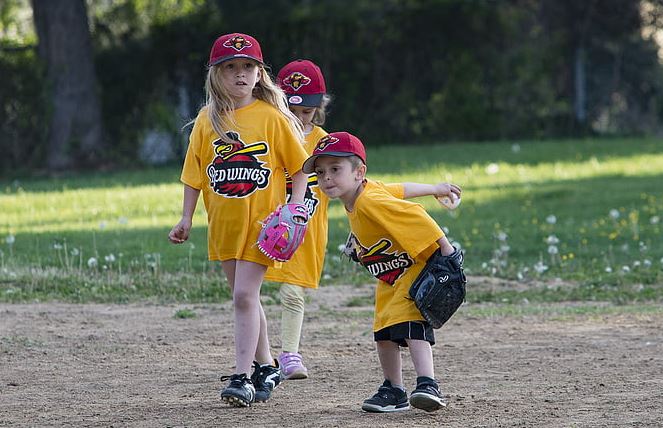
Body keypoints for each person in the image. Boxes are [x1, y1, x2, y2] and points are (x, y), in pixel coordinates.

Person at [168, 33, 309, 408]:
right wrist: (186, 218)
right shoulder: (207, 119)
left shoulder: (272, 118)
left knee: (244, 296)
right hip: (224, 226)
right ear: (216, 75)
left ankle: (242, 376)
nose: (240, 74)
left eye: (248, 66)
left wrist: (295, 208)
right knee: (246, 298)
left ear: (260, 74)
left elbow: (299, 169)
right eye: (230, 67)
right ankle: (266, 367)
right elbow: (193, 174)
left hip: (265, 228)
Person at [301, 131, 461, 413]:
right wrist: (435, 188)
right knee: (384, 332)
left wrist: (449, 256)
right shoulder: (364, 193)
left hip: (415, 271)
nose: (326, 178)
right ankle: (393, 390)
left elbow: (417, 216)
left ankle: (427, 383)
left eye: (335, 169)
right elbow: (400, 188)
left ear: (359, 172)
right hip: (390, 276)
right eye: (321, 171)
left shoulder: (369, 202)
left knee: (412, 326)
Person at [262, 59, 331, 380]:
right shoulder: (269, 132)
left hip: (305, 230)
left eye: (308, 112)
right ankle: (261, 355)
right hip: (266, 226)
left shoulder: (324, 142)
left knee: (292, 292)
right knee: (249, 292)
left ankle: (289, 354)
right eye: (294, 111)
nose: (301, 118)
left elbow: (345, 185)